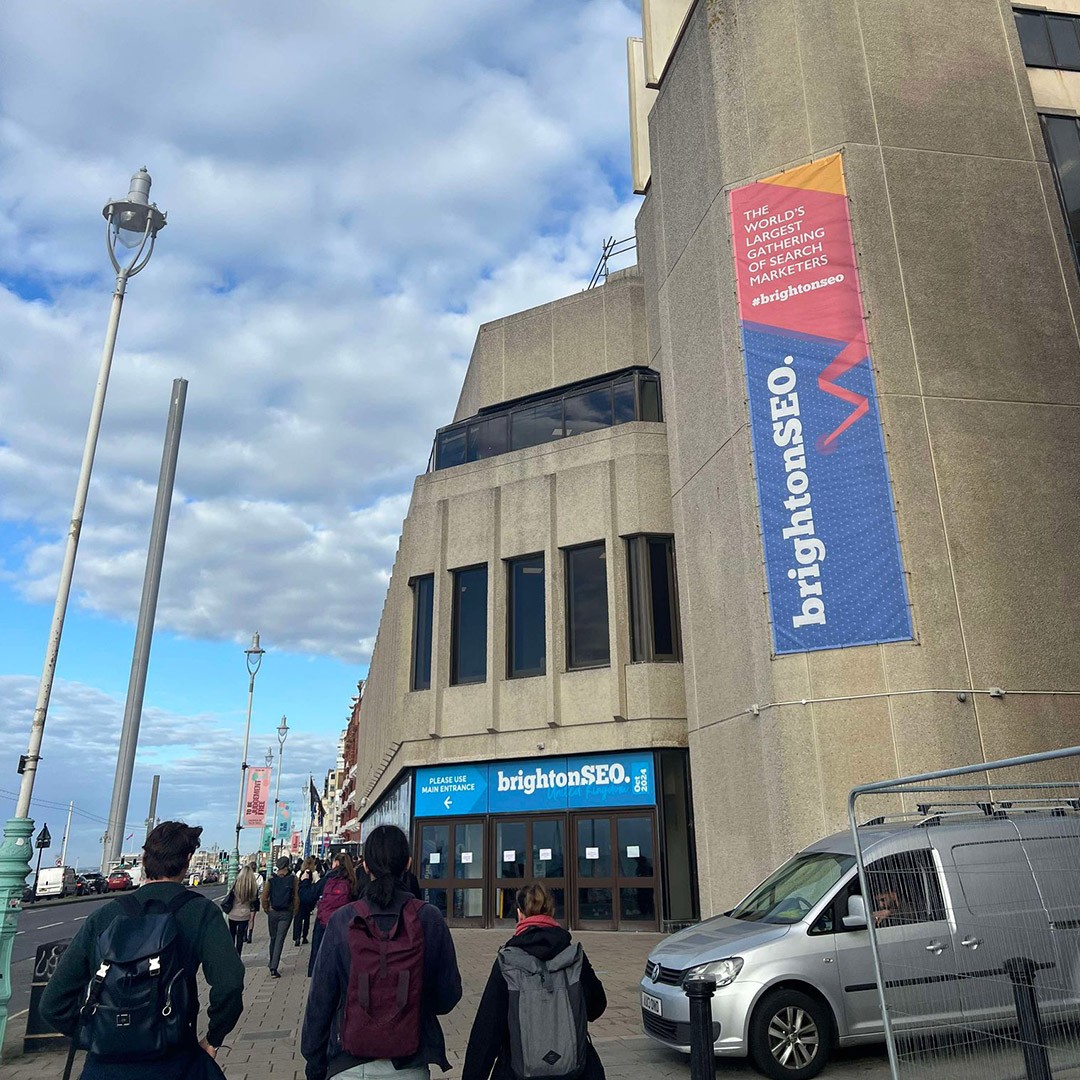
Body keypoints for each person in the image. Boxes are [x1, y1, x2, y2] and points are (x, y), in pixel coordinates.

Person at [40, 821, 244, 1080]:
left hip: (104, 1069)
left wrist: (100, 1035)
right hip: (175, 1062)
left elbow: (52, 1004)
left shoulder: (105, 916)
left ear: (145, 857)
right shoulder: (201, 912)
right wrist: (214, 1037)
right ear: (188, 859)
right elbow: (230, 983)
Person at [302, 825, 462, 1080]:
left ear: (365, 866)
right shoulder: (428, 918)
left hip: (348, 1063)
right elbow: (449, 996)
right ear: (408, 863)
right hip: (409, 1063)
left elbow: (321, 999)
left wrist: (314, 1060)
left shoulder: (343, 919)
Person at [462, 882, 607, 1080]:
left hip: (516, 1071)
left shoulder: (507, 962)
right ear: (551, 911)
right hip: (575, 1071)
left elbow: (487, 1031)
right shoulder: (574, 957)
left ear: (520, 914)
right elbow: (597, 1007)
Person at [307, 851, 359, 977]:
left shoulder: (327, 879)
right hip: (344, 925)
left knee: (322, 959)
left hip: (323, 923)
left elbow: (307, 896)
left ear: (335, 863)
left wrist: (304, 882)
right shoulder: (352, 881)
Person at [262, 855, 299, 977]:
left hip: (273, 911)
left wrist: (267, 909)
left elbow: (264, 896)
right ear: (287, 865)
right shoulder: (293, 879)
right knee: (280, 939)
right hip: (286, 912)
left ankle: (272, 962)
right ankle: (274, 967)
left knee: (273, 938)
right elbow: (296, 896)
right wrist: (294, 910)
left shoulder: (271, 879)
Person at [227, 865, 261, 955]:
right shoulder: (253, 886)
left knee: (232, 934)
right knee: (240, 936)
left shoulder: (236, 884)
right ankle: (238, 955)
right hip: (245, 914)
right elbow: (255, 902)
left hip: (233, 913)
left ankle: (231, 955)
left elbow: (230, 897)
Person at [294, 856, 319, 945]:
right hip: (308, 898)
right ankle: (304, 937)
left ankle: (297, 937)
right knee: (306, 918)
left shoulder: (299, 873)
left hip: (299, 898)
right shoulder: (314, 873)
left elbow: (295, 885)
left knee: (298, 918)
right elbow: (317, 885)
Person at [248, 863, 265, 944]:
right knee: (252, 918)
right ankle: (249, 936)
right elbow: (261, 889)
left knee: (245, 917)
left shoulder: (247, 876)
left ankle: (244, 934)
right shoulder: (259, 877)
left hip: (246, 899)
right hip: (254, 899)